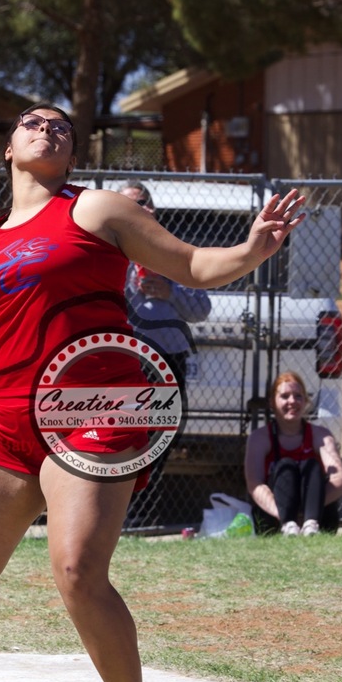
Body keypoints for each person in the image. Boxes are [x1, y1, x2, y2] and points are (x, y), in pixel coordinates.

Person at [0, 100, 306, 682]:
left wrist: (253, 248)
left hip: (96, 406)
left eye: (61, 128)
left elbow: (189, 267)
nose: (47, 130)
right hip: (8, 414)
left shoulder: (96, 210)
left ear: (71, 154)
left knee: (77, 570)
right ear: (7, 150)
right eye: (32, 124)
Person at [120, 180, 211, 528]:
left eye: (144, 202)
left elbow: (201, 308)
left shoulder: (174, 251)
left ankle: (142, 520)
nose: (141, 209)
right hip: (126, 360)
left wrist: (171, 292)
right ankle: (117, 516)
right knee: (125, 439)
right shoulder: (109, 250)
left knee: (159, 440)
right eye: (130, 203)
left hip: (169, 361)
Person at [244, 371, 342, 536]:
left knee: (311, 465)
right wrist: (287, 513)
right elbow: (254, 484)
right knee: (286, 466)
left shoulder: (321, 435)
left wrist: (307, 511)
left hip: (316, 519)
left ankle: (311, 525)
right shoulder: (259, 438)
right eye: (285, 396)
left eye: (298, 396)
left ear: (305, 401)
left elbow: (339, 480)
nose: (292, 401)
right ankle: (288, 526)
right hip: (275, 518)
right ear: (272, 402)